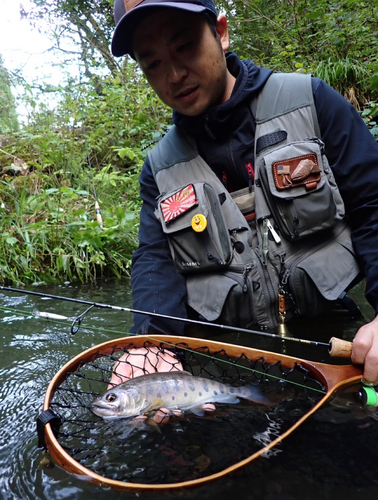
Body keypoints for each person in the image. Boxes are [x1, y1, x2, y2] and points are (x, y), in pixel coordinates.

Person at [110, 0, 378, 387]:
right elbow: (156, 259)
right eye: (152, 63)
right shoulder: (159, 169)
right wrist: (150, 346)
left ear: (220, 31)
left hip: (336, 347)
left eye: (184, 46)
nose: (175, 74)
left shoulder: (312, 102)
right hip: (230, 366)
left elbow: (372, 204)